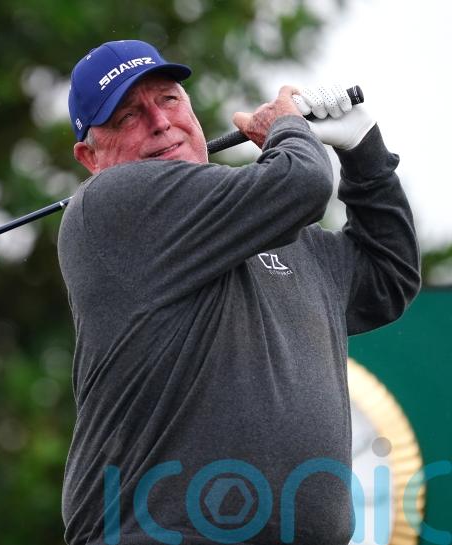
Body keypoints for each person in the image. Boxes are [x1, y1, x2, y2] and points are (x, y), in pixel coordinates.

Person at [57, 39, 420, 545]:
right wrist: (287, 128)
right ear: (89, 157)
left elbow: (389, 275)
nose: (159, 122)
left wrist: (364, 150)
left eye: (168, 100)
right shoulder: (111, 206)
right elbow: (302, 184)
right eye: (126, 117)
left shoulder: (283, 238)